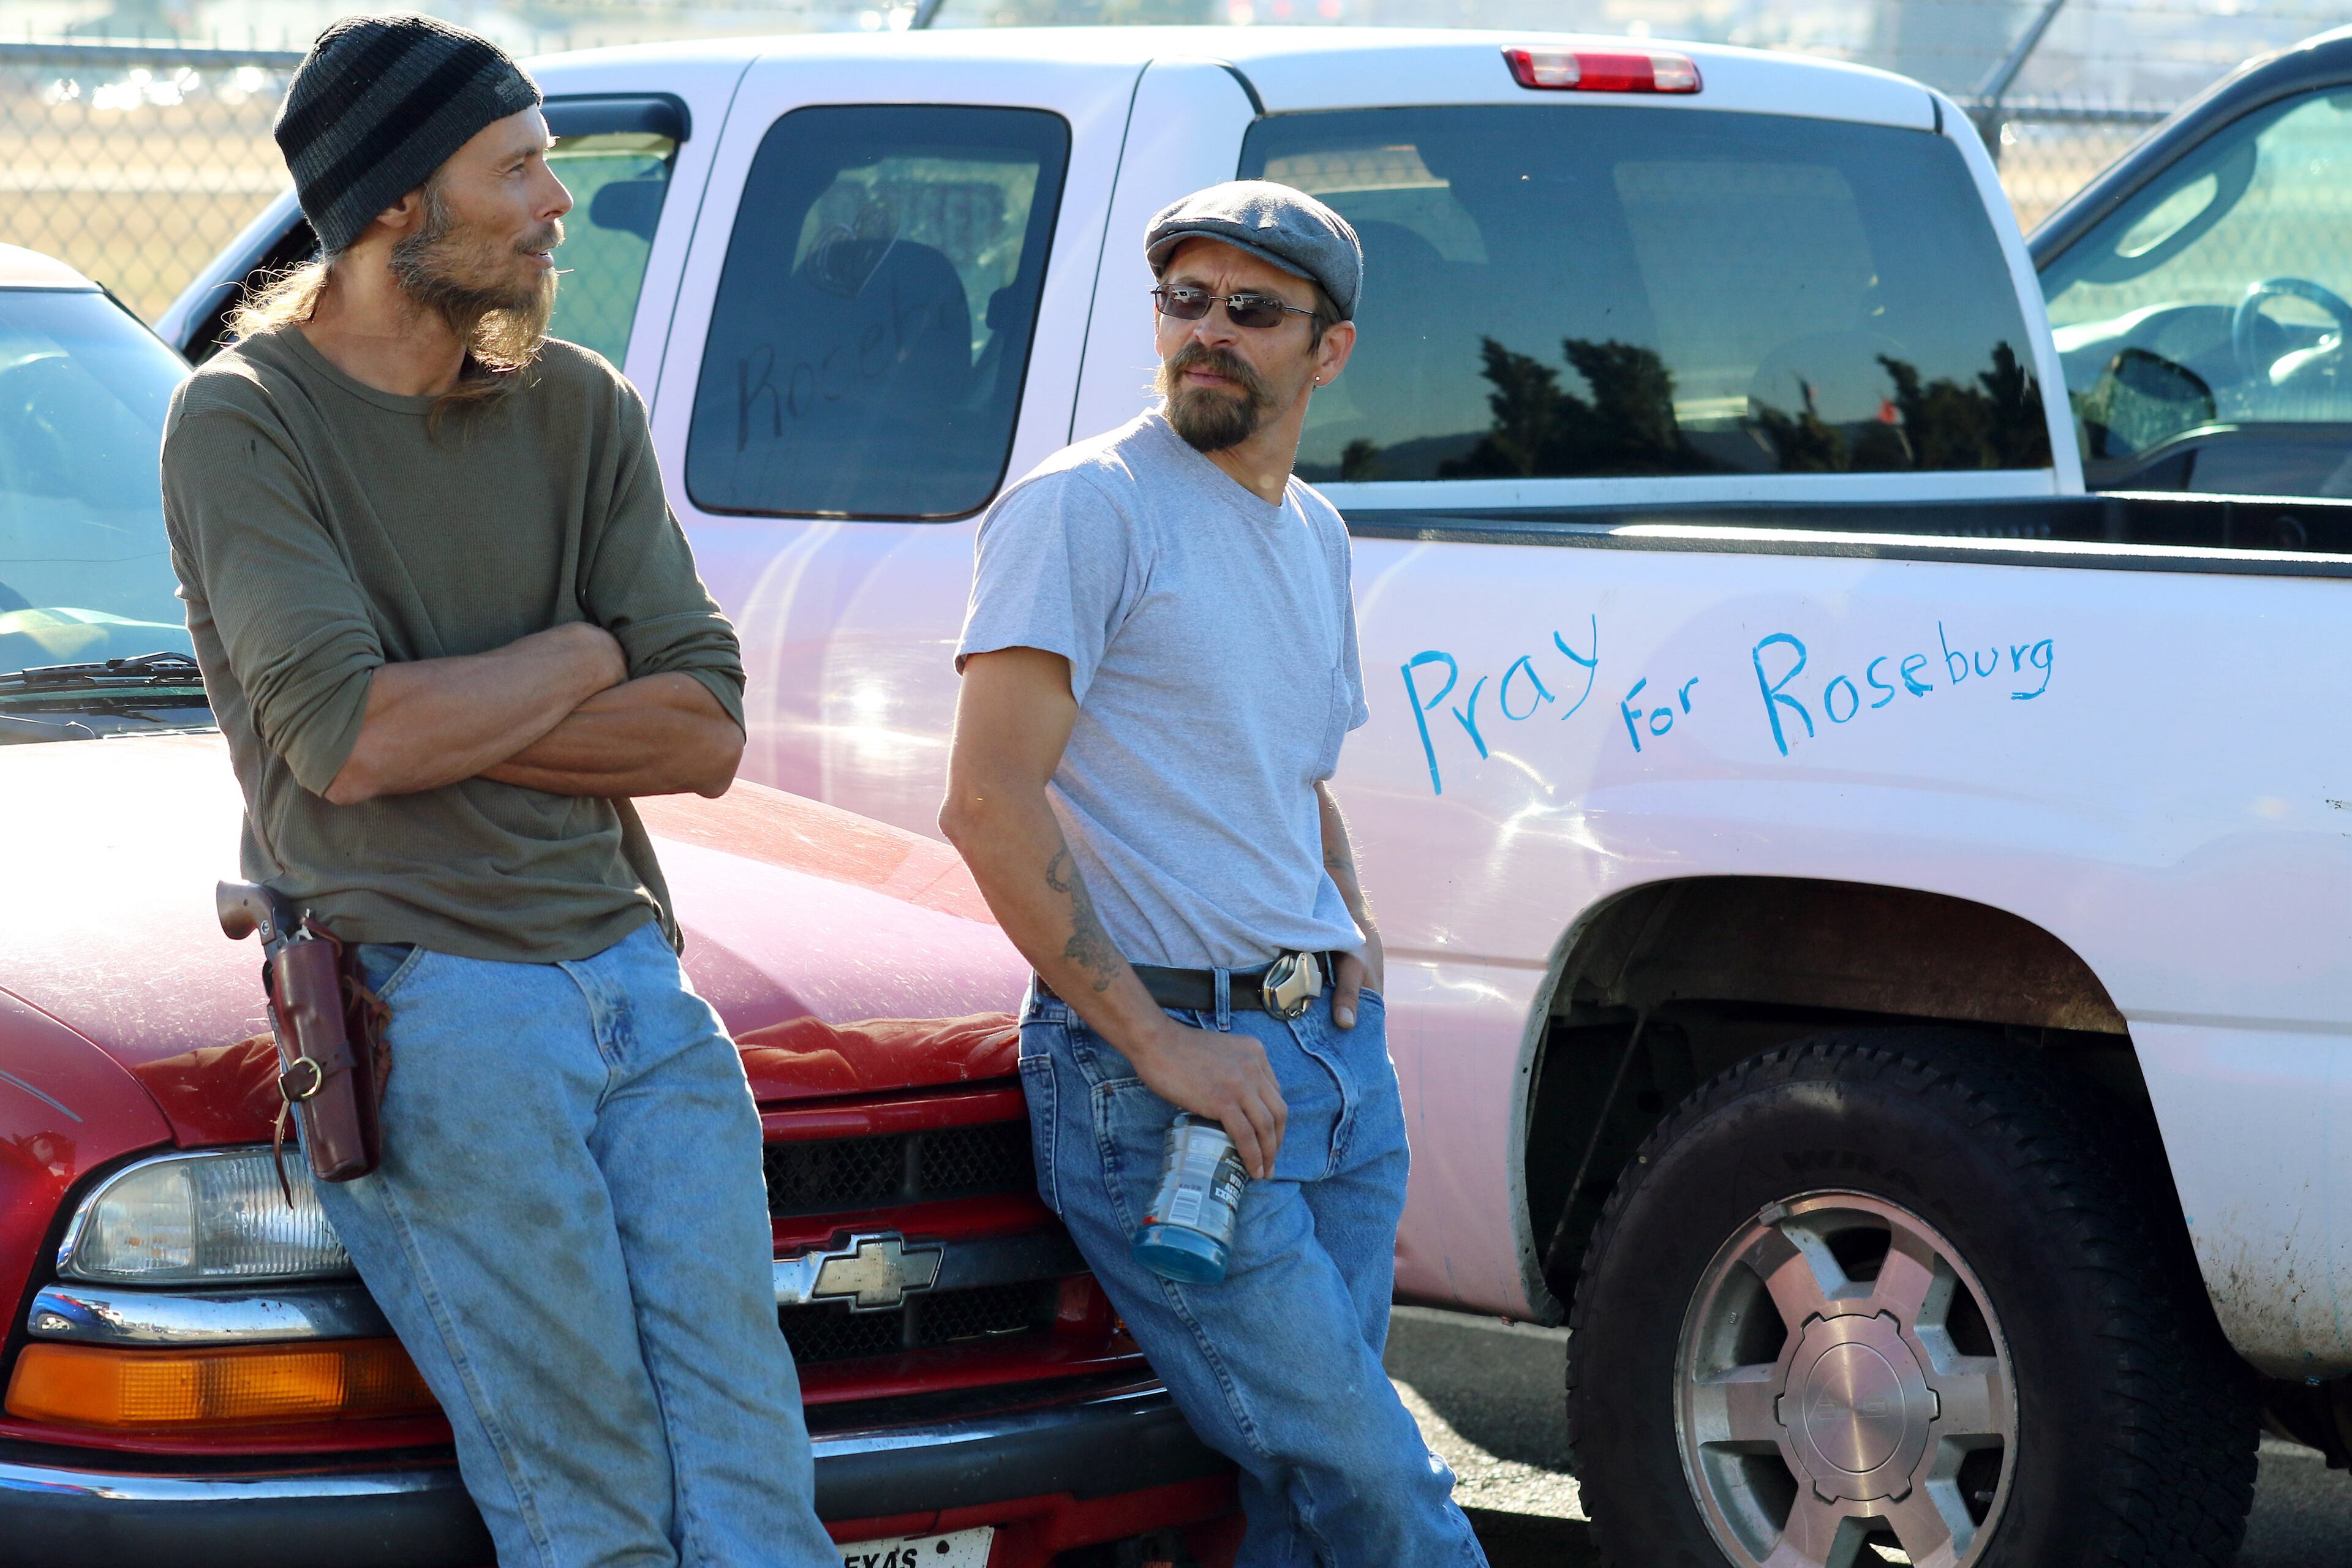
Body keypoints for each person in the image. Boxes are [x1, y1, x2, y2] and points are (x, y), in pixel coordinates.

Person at [158, 16, 837, 1567]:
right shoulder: (244, 419)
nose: (556, 202)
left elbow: (705, 731)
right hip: (429, 1001)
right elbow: (348, 742)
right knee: (585, 1504)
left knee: (756, 1481)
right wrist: (593, 649)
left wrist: (447, 700)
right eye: (518, 165)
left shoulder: (578, 403)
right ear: (400, 202)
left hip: (646, 993)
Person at [940, 181, 1490, 1567]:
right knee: (1381, 1486)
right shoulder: (1088, 508)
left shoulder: (1311, 528)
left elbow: (1296, 772)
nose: (1209, 334)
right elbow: (988, 801)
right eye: (1185, 301)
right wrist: (1157, 1042)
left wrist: (1350, 923)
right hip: (1165, 1082)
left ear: (1331, 347)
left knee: (1304, 1508)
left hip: (1330, 1062)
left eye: (1253, 310)